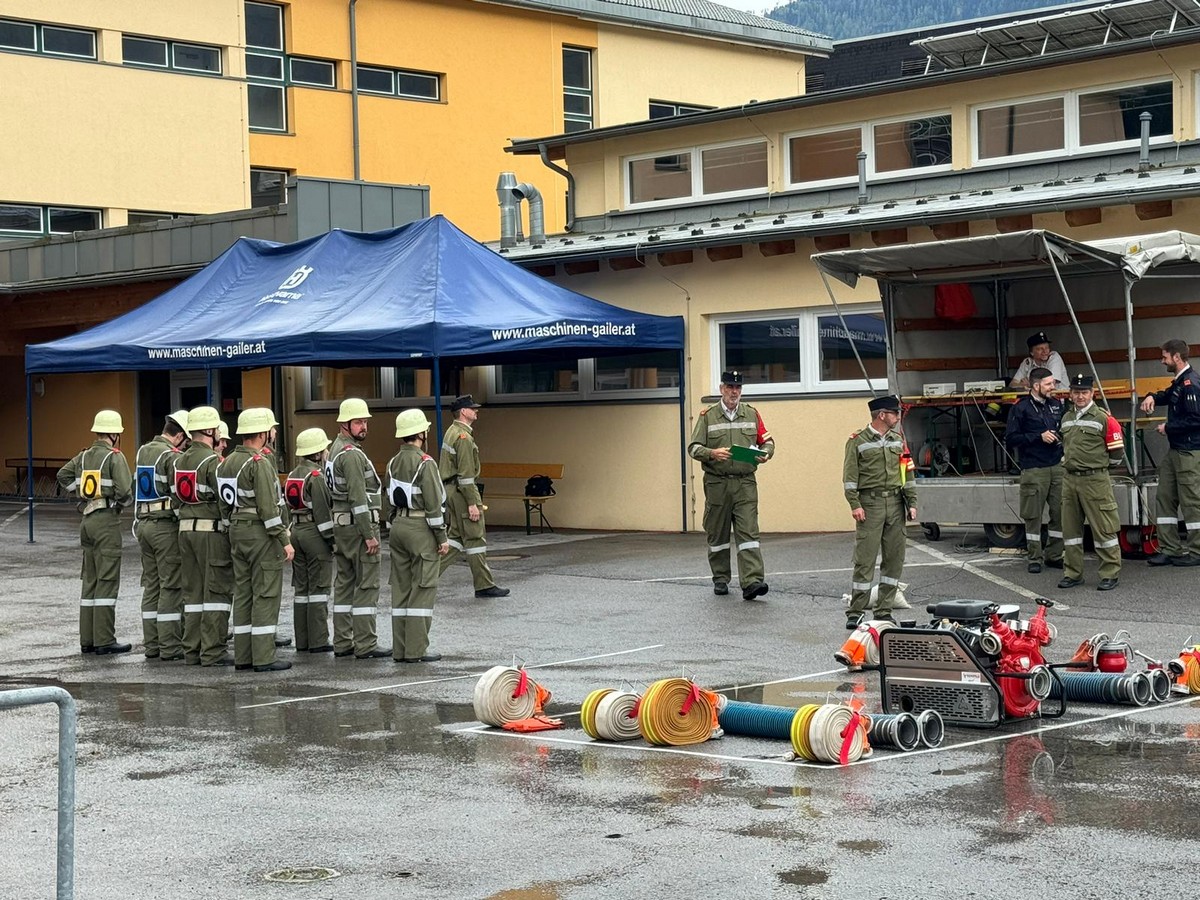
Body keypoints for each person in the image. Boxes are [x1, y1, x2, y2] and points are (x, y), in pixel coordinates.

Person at [218, 407, 295, 671]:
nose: (273, 433)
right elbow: (268, 509)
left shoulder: (227, 462)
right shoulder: (259, 463)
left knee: (243, 593)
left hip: (237, 530)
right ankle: (263, 657)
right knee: (265, 593)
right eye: (271, 429)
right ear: (262, 433)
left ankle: (243, 656)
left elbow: (223, 504)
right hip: (260, 534)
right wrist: (284, 539)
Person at [687, 370, 774, 601]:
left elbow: (767, 441)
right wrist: (711, 453)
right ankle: (720, 578)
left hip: (745, 483)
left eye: (737, 388)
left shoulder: (751, 413)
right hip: (718, 483)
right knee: (718, 533)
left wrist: (766, 453)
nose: (734, 392)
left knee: (749, 533)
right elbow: (693, 447)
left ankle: (752, 582)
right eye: (730, 387)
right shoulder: (708, 416)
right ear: (721, 389)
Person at [56, 409, 134, 655]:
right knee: (107, 581)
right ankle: (104, 640)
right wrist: (120, 503)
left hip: (87, 519)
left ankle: (87, 640)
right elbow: (125, 492)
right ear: (114, 434)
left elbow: (62, 475)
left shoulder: (83, 456)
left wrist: (79, 491)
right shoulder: (114, 457)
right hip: (105, 521)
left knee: (90, 581)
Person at [842, 395, 917, 628]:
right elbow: (849, 478)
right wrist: (855, 504)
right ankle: (856, 611)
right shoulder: (857, 441)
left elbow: (907, 473)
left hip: (895, 503)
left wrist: (912, 502)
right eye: (895, 413)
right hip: (870, 504)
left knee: (894, 559)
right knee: (865, 560)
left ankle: (883, 610)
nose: (898, 417)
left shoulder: (898, 440)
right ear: (882, 415)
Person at [384, 409, 450, 662]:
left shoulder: (392, 462)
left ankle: (400, 650)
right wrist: (441, 537)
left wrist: (394, 521)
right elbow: (434, 504)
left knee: (401, 589)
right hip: (420, 528)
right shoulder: (426, 462)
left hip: (398, 526)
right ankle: (416, 650)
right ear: (421, 433)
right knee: (422, 589)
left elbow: (387, 497)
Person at [327, 398, 389, 659]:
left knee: (344, 584)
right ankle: (366, 644)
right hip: (357, 528)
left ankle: (342, 641)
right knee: (366, 585)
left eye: (365, 421)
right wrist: (369, 534)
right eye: (358, 422)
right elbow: (358, 498)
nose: (364, 426)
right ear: (345, 424)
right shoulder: (351, 454)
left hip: (342, 527)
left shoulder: (334, 449)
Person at [174, 405, 233, 666]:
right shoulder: (213, 462)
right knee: (216, 592)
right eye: (217, 428)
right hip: (211, 533)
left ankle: (192, 650)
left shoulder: (178, 460)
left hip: (185, 531)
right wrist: (229, 527)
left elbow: (174, 495)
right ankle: (213, 651)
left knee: (193, 594)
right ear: (210, 431)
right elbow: (224, 499)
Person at [1058, 374, 1124, 591]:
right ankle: (1073, 573)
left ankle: (1110, 573)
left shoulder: (1104, 418)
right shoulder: (1066, 418)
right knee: (1070, 531)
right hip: (1070, 480)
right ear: (1070, 394)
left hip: (1095, 480)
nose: (1080, 396)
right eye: (1076, 392)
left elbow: (1117, 453)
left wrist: (1099, 468)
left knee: (1104, 529)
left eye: (1084, 392)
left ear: (1092, 394)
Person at [438, 394, 509, 598]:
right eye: (472, 408)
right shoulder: (463, 437)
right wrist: (472, 503)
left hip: (452, 490)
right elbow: (466, 475)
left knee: (456, 538)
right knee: (475, 538)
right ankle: (484, 585)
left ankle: (424, 577)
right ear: (463, 412)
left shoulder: (452, 432)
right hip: (463, 492)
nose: (476, 411)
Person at [133, 410, 189, 661]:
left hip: (144, 524)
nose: (185, 446)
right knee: (171, 586)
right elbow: (178, 494)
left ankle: (152, 645)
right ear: (179, 436)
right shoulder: (171, 456)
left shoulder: (143, 450)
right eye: (186, 441)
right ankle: (170, 646)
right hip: (164, 527)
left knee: (152, 586)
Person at [1140, 339, 1200, 567]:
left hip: (1189, 452)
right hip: (1176, 451)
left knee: (1192, 502)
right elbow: (1168, 395)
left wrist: (1169, 427)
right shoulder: (1180, 382)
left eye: (1164, 357)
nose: (1162, 361)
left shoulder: (1191, 384)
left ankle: (1197, 550)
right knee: (1164, 497)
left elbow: (1196, 419)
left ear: (1176, 357)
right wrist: (1152, 396)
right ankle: (1169, 548)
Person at [1004, 367, 1066, 573]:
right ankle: (1034, 557)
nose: (1053, 387)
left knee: (1060, 513)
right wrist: (1038, 437)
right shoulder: (1020, 408)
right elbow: (1011, 439)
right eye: (1049, 384)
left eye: (1053, 383)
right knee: (1033, 516)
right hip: (1033, 468)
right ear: (1036, 385)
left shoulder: (1056, 405)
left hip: (1056, 466)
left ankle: (1054, 555)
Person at [286, 428, 336, 652]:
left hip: (296, 531)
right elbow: (323, 514)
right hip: (314, 533)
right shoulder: (316, 477)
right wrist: (332, 541)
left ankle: (303, 640)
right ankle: (318, 640)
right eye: (324, 449)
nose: (326, 452)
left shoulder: (292, 475)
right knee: (318, 588)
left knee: (302, 589)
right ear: (317, 453)